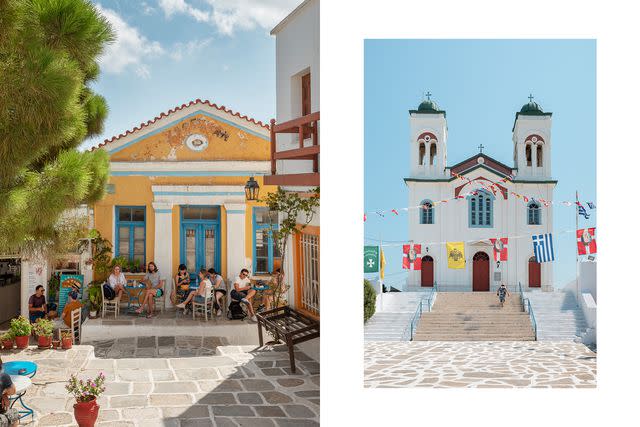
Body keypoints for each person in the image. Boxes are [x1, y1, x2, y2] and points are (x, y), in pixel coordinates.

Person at [0, 357, 19, 427]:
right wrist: (4, 394)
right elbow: (12, 391)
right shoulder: (3, 376)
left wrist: (3, 395)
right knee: (13, 414)